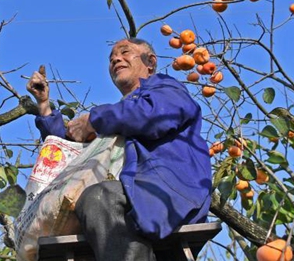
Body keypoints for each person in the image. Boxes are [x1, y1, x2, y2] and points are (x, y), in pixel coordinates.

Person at [26, 38, 212, 261]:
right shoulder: (115, 120)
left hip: (164, 192)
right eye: (111, 57)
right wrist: (45, 106)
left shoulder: (166, 89)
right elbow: (70, 153)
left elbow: (152, 115)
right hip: (126, 205)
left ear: (150, 62)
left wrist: (93, 120)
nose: (115, 59)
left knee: (98, 196)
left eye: (125, 52)